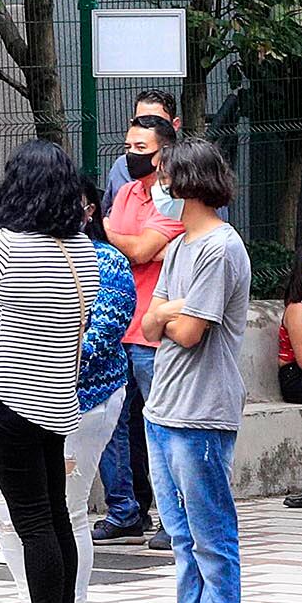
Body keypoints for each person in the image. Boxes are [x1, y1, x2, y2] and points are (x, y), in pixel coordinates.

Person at [0, 141, 97, 603]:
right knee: (56, 519)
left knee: (33, 525)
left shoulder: (4, 247)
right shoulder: (83, 249)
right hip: (56, 401)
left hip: (8, 398)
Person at [0, 177, 134, 603]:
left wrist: (39, 355)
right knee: (4, 509)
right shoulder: (21, 252)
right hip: (24, 397)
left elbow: (103, 335)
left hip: (85, 400)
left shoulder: (104, 260)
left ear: (90, 210)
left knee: (65, 511)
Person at [128, 140, 249, 603]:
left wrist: (169, 313)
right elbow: (151, 323)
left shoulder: (220, 249)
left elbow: (189, 331)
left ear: (187, 183)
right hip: (165, 406)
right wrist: (169, 312)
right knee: (180, 533)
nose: (158, 187)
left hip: (202, 411)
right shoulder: (179, 247)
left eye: (164, 177)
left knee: (210, 533)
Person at [95, 112, 181, 541]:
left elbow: (141, 250)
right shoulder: (127, 192)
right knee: (111, 425)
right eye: (128, 147)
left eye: (141, 149)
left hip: (153, 330)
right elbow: (134, 247)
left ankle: (173, 517)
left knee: (160, 425)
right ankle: (124, 510)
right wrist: (133, 245)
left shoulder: (175, 198)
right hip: (116, 325)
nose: (131, 155)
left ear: (164, 152)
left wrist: (112, 236)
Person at [97, 90, 183, 205]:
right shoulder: (121, 168)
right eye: (140, 121)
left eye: (157, 122)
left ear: (175, 125)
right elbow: (108, 211)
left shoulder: (189, 167)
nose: (146, 127)